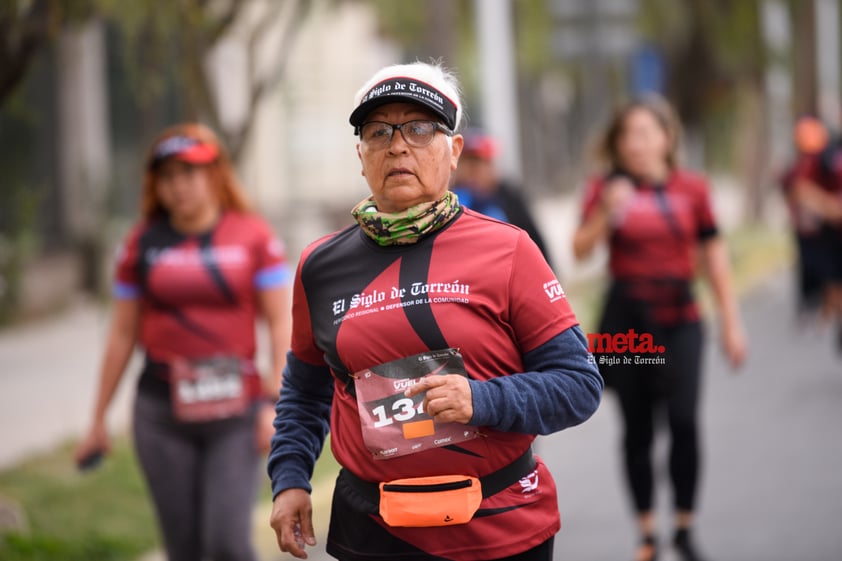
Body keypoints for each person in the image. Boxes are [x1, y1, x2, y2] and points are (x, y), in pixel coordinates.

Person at [267, 61, 603, 561]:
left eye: (420, 129)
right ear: (361, 155)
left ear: (455, 152)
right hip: (374, 531)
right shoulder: (320, 265)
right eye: (379, 131)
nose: (398, 145)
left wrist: (481, 400)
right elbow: (305, 390)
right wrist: (290, 476)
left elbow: (579, 384)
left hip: (498, 528)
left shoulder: (509, 250)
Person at [75, 122, 292, 561]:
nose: (178, 186)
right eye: (168, 176)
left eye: (189, 173)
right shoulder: (140, 243)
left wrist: (275, 402)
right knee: (186, 550)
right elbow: (121, 334)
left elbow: (280, 323)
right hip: (160, 415)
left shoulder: (254, 237)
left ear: (214, 175)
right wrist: (97, 419)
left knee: (227, 544)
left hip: (236, 414)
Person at [572, 95, 747, 561]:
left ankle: (684, 527)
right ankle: (647, 533)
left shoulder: (692, 189)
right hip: (629, 324)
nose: (636, 144)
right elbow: (580, 250)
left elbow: (713, 255)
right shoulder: (605, 188)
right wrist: (608, 211)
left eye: (646, 133)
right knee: (637, 428)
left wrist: (731, 322)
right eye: (627, 135)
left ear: (667, 138)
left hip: (682, 319)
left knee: (685, 421)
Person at [779, 115, 842, 346]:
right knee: (823, 275)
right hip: (820, 232)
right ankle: (819, 311)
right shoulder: (819, 158)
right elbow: (796, 188)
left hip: (824, 228)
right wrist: (827, 207)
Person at [451, 128, 554, 267]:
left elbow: (535, 242)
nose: (473, 172)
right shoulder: (452, 200)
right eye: (467, 163)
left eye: (479, 164)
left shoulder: (509, 197)